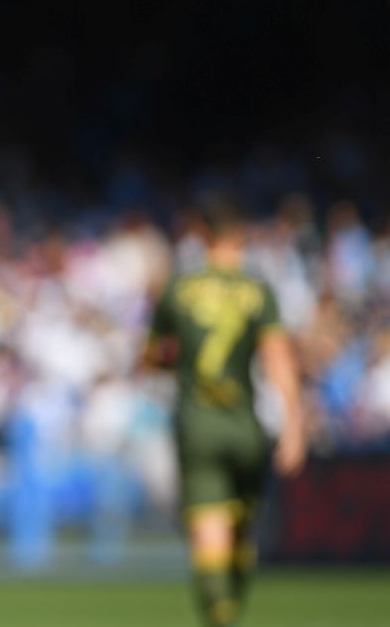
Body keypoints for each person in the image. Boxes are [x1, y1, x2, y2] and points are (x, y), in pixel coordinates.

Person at [142, 203, 306, 627]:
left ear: (202, 234)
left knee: (210, 528)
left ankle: (220, 616)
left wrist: (171, 361)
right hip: (245, 424)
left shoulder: (178, 287)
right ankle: (229, 610)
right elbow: (278, 361)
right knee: (242, 530)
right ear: (240, 237)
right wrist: (294, 426)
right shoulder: (257, 290)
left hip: (197, 423)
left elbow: (150, 357)